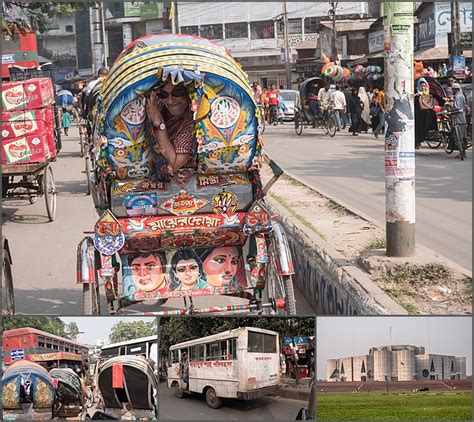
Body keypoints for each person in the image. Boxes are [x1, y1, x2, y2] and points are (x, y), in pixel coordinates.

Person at [146, 78, 197, 177]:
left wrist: (158, 123)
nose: (170, 101)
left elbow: (172, 165)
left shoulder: (191, 121)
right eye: (163, 95)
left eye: (177, 93)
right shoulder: (157, 102)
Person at [414, 77, 446, 149]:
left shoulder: (428, 91)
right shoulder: (416, 91)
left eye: (424, 85)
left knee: (432, 112)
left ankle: (432, 129)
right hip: (418, 111)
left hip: (427, 109)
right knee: (424, 115)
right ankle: (417, 142)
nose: (423, 87)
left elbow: (436, 96)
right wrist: (417, 95)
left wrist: (443, 101)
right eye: (421, 85)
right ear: (419, 85)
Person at [451, 82, 467, 160]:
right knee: (463, 137)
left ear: (454, 89)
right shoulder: (462, 95)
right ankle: (463, 152)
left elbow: (457, 107)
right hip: (463, 118)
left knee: (459, 137)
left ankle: (461, 154)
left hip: (459, 118)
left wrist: (451, 107)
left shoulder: (458, 96)